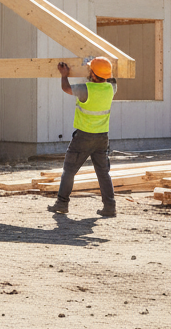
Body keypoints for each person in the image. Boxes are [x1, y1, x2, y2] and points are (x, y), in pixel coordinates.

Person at [48, 56, 118, 218]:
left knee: (69, 170)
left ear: (93, 74)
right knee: (103, 172)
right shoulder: (111, 89)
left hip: (83, 137)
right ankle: (110, 206)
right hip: (102, 138)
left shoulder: (86, 89)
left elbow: (66, 88)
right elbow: (112, 79)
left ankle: (62, 203)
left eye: (90, 69)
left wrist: (64, 74)